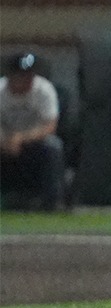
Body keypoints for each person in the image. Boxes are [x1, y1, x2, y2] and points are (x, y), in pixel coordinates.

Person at [0, 52, 64, 210]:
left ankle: (51, 203)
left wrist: (21, 138)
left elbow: (50, 126)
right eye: (22, 76)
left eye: (30, 75)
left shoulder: (44, 90)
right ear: (10, 76)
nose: (28, 80)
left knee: (53, 146)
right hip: (4, 142)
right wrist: (4, 139)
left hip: (34, 142)